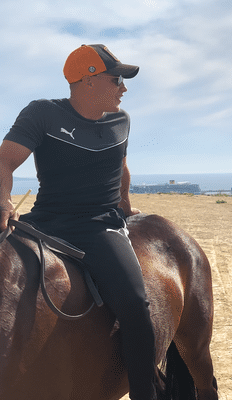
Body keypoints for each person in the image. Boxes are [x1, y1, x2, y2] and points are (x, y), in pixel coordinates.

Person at [0, 44, 157, 400]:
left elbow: (121, 166)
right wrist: (3, 202)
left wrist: (126, 206)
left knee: (135, 304)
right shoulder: (42, 113)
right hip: (44, 221)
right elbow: (4, 161)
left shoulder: (122, 121)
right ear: (88, 81)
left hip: (99, 227)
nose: (123, 89)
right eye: (116, 80)